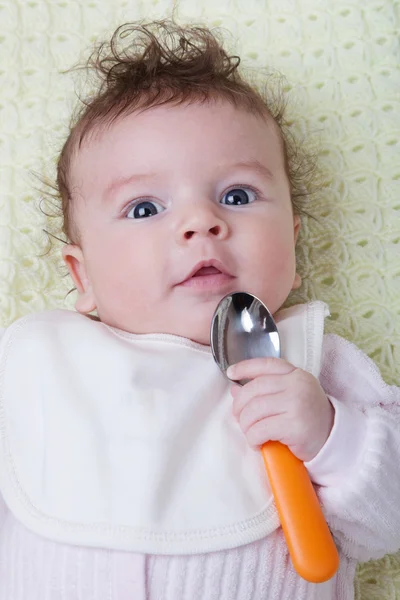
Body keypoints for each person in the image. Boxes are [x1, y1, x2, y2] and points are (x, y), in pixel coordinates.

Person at [0, 20, 399, 600]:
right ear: (82, 276)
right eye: (144, 208)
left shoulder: (317, 368)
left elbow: (389, 519)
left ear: (291, 238)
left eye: (236, 196)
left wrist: (332, 435)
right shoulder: (40, 366)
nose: (200, 222)